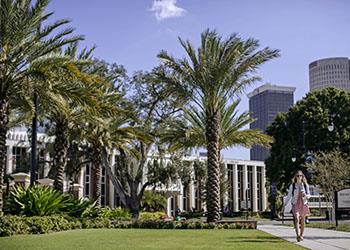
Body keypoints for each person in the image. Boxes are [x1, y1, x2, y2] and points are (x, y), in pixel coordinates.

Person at [284, 170, 310, 242]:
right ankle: (298, 235)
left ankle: (301, 235)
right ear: (295, 177)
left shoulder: (305, 185)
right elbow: (289, 196)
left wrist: (305, 195)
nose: (299, 177)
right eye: (297, 176)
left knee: (303, 220)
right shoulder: (292, 185)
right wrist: (284, 204)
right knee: (297, 218)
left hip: (303, 203)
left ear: (302, 176)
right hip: (295, 204)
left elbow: (309, 195)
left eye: (300, 175)